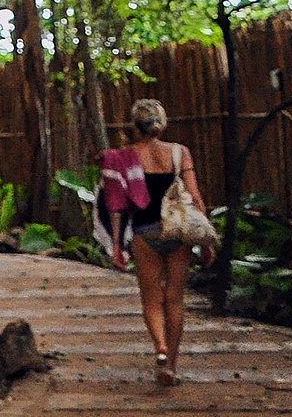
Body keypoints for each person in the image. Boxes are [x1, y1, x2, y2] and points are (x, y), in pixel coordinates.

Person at [102, 99, 212, 385]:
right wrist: (206, 240)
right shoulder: (179, 152)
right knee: (174, 298)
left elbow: (116, 206)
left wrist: (117, 244)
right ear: (161, 124)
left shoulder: (124, 157)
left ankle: (160, 346)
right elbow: (194, 197)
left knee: (152, 299)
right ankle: (171, 366)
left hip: (145, 233)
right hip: (178, 231)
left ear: (135, 127)